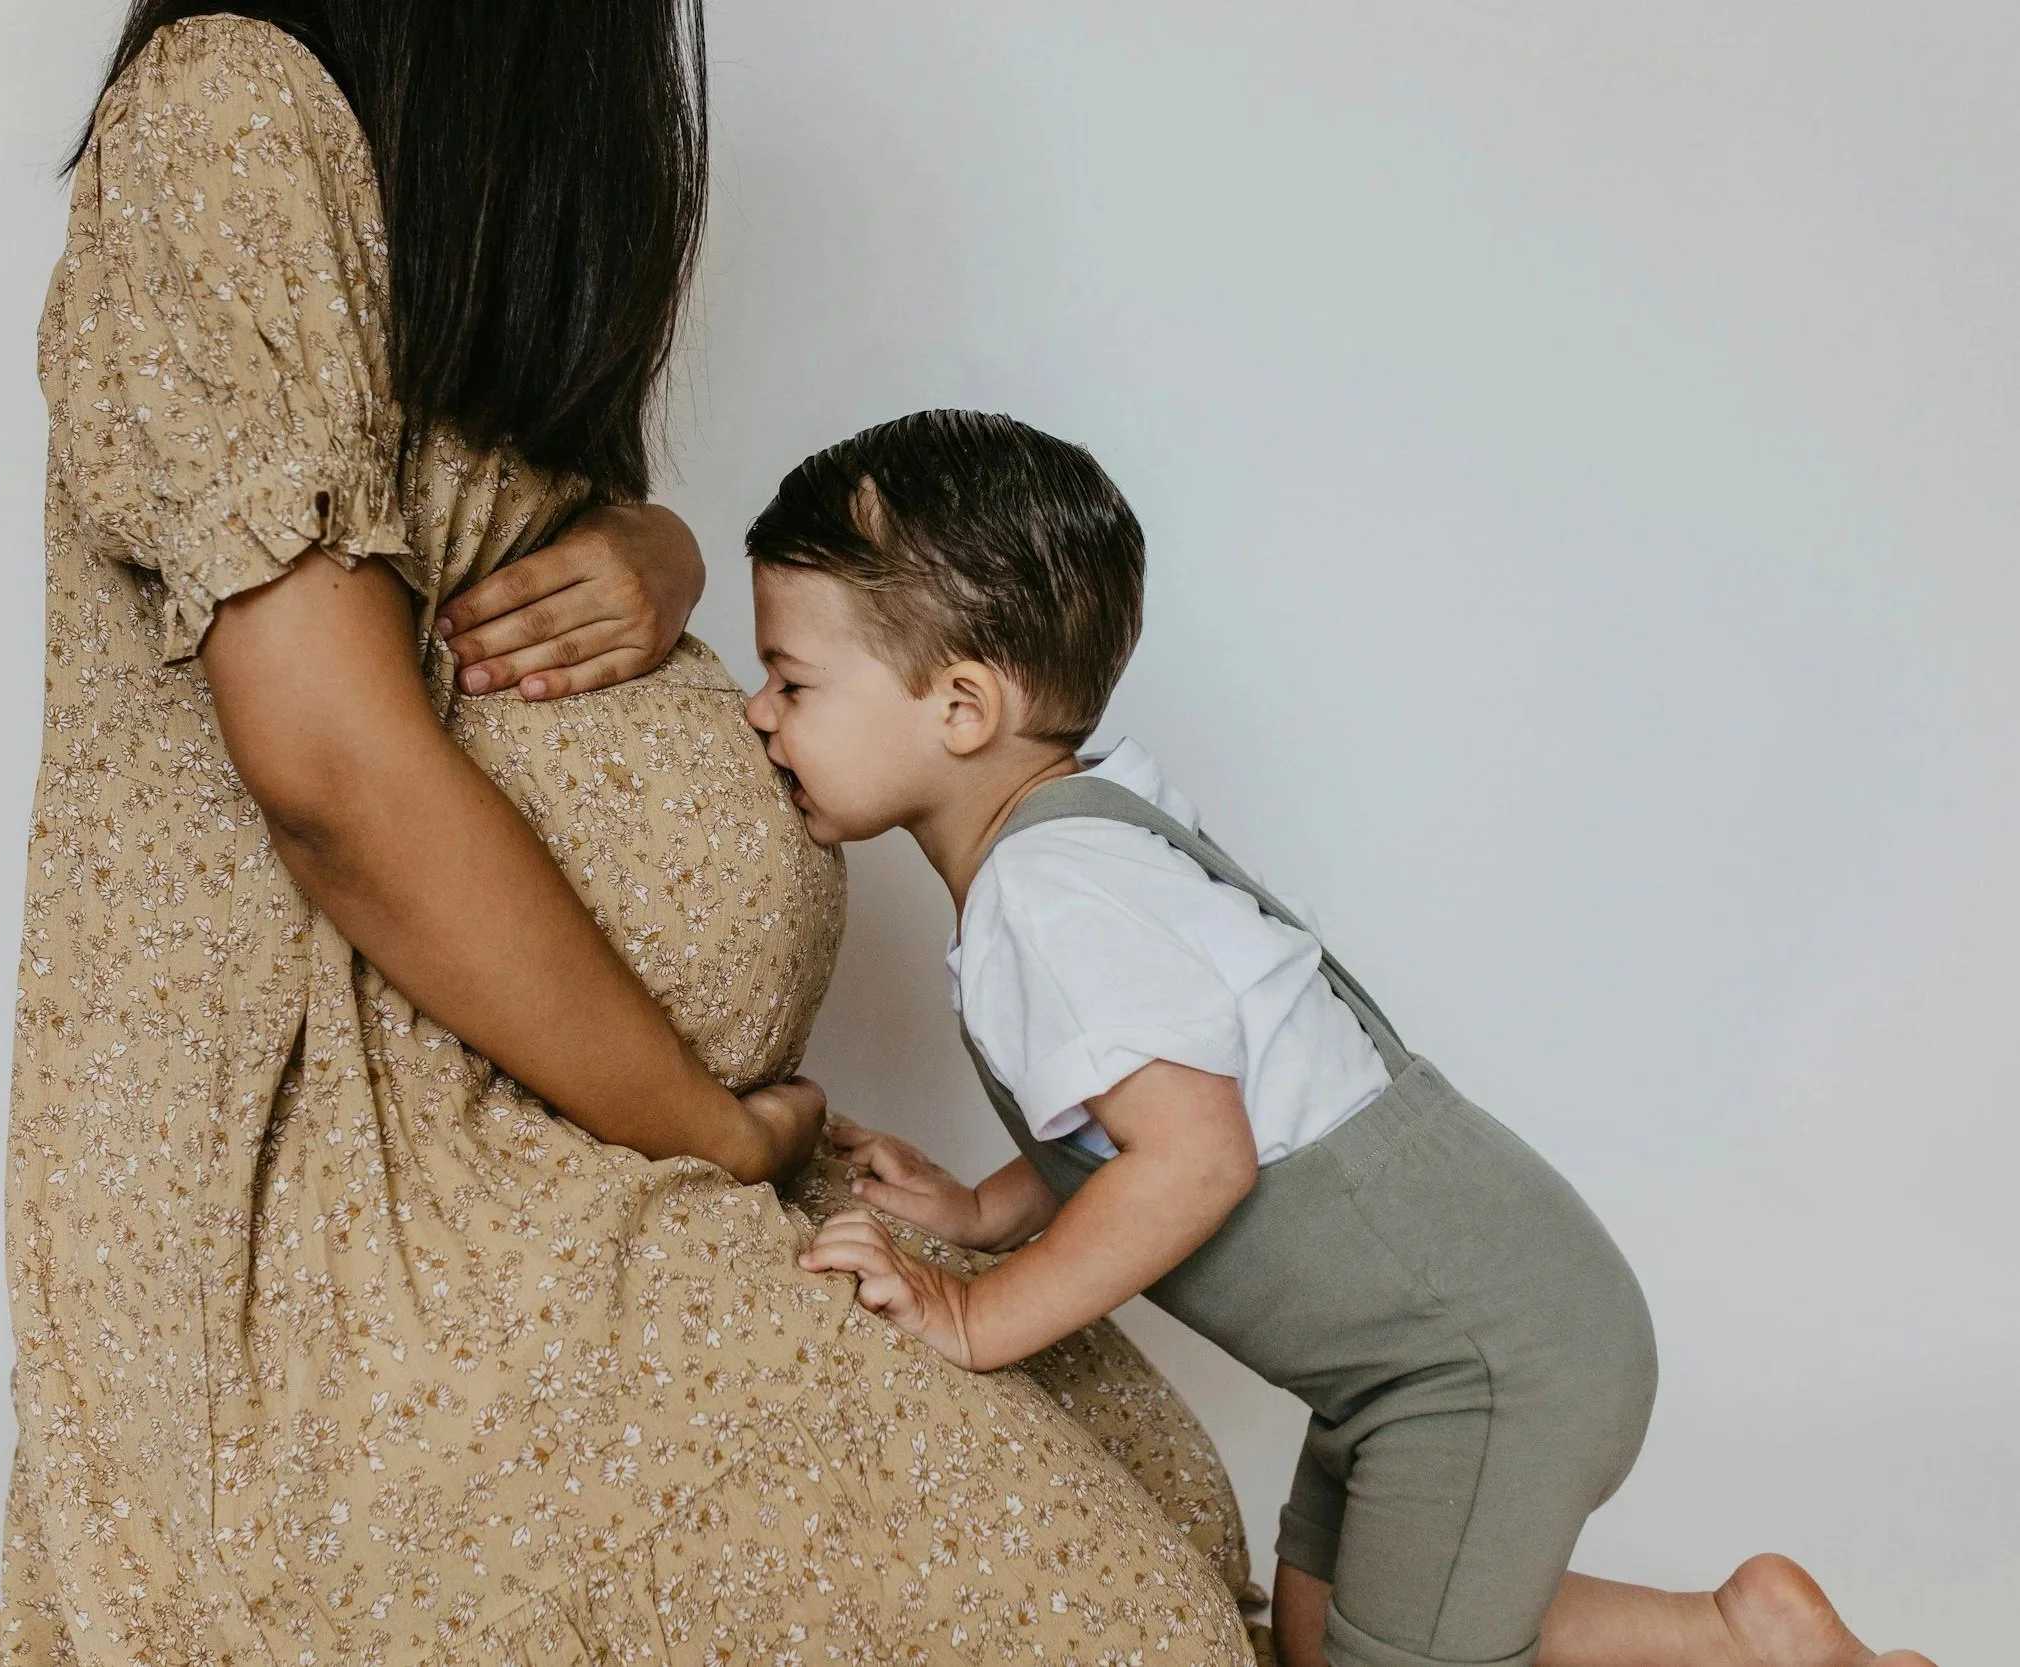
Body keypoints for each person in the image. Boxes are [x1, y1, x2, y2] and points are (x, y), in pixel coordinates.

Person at [0, 9, 1265, 1664]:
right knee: (1131, 1636)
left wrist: (655, 548)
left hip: (592, 1135)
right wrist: (705, 1130)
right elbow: (330, 773)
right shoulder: (229, 104)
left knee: (1185, 1531)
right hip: (390, 1211)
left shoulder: (444, 172)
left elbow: (479, 535)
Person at [746, 409, 1938, 1667]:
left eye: (792, 679)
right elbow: (1144, 1095)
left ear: (962, 704)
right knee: (1317, 1635)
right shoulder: (1095, 830)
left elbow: (1195, 1157)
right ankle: (1743, 1639)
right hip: (1441, 1333)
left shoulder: (1044, 901)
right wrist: (991, 1209)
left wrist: (974, 1315)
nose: (761, 713)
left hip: (1475, 1361)